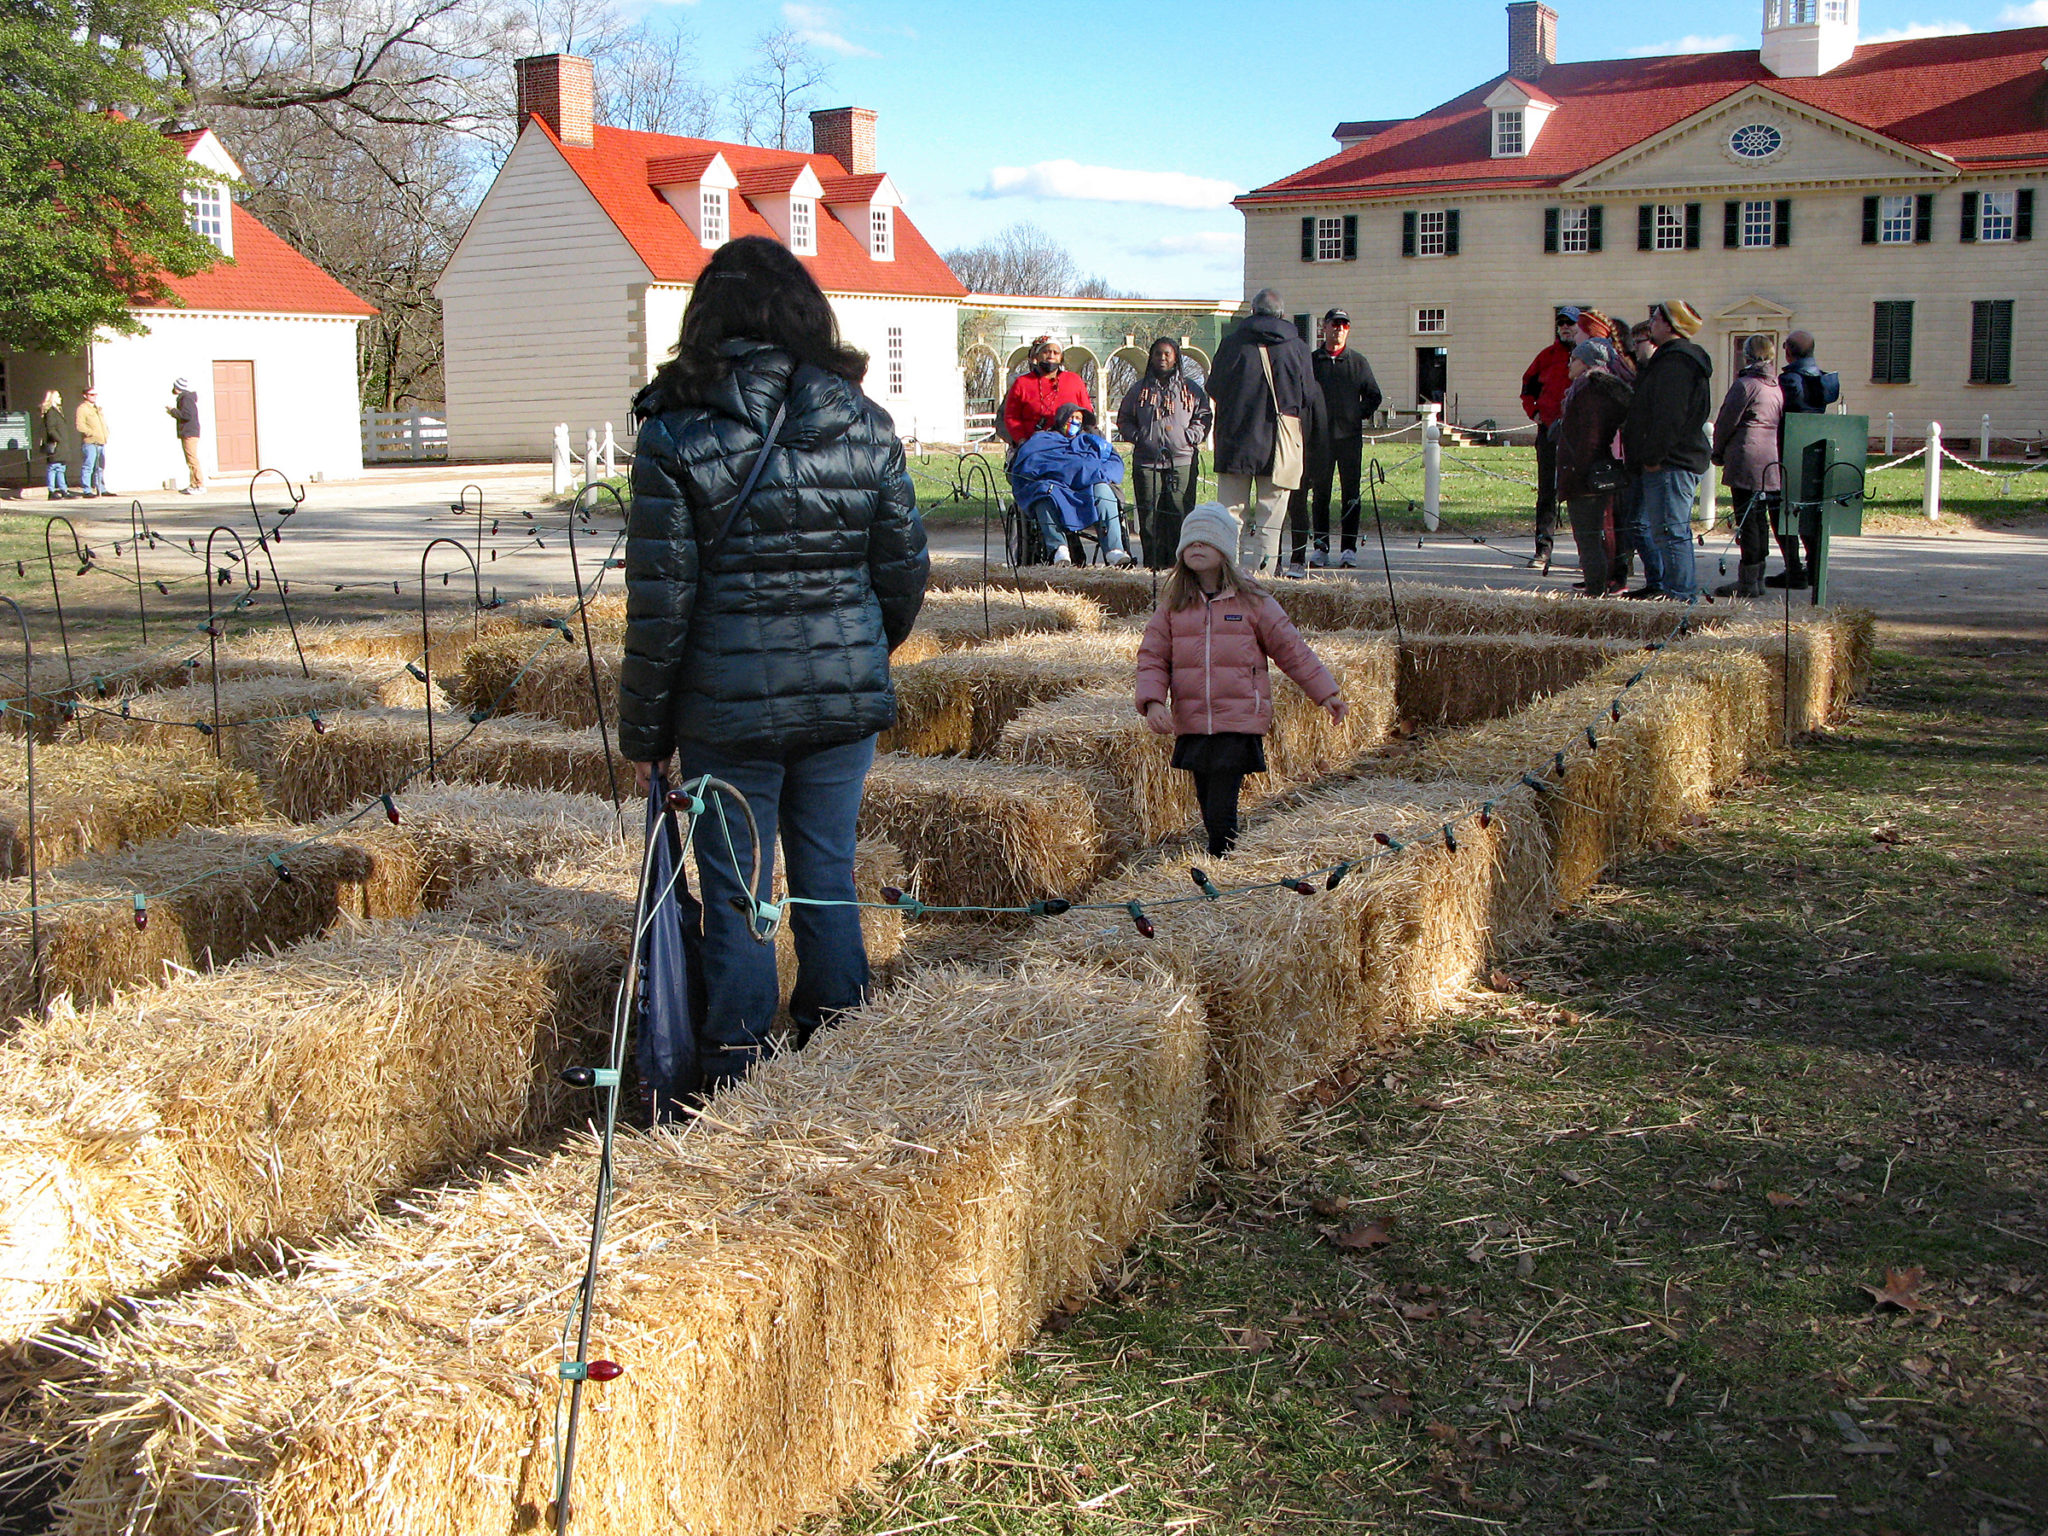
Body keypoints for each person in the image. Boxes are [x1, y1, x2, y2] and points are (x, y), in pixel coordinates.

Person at [617, 235, 929, 1092]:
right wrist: (856, 653)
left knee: (739, 896)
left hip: (728, 710)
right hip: (839, 702)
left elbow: (661, 604)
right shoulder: (864, 421)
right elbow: (903, 574)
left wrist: (645, 731)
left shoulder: (676, 430)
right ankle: (840, 1050)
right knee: (826, 875)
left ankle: (738, 1069)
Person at [1135, 503, 1346, 858]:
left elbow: (1291, 649)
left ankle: (1222, 853)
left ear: (1225, 551)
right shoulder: (1173, 605)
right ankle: (1223, 846)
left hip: (1239, 718)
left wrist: (1326, 693)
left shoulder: (1252, 600)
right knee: (1206, 793)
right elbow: (1152, 657)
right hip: (1194, 720)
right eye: (1190, 544)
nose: (1196, 549)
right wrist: (1154, 702)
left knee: (1222, 793)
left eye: (1206, 542)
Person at [1207, 288, 1316, 575]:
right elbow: (1307, 396)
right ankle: (1262, 580)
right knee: (1271, 519)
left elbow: (1214, 387)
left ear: (1252, 312)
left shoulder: (1231, 344)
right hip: (1279, 443)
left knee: (1230, 517)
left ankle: (1228, 576)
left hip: (1235, 438)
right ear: (1282, 313)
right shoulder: (1298, 348)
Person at [1620, 300, 1712, 602]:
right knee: (1663, 532)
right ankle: (1671, 591)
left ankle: (1681, 596)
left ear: (1671, 326)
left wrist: (1654, 458)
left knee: (1672, 533)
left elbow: (1670, 417)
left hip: (1672, 462)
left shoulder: (1678, 364)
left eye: (1655, 318)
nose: (1650, 324)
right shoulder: (1667, 361)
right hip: (1665, 461)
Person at [1116, 338, 1211, 569]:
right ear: (1152, 357)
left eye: (1168, 354)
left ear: (1176, 357)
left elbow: (1204, 415)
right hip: (1148, 462)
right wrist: (1139, 437)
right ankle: (1154, 568)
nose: (1163, 358)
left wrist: (1191, 436)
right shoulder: (1139, 390)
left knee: (1179, 514)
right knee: (1149, 517)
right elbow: (1124, 419)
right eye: (1158, 353)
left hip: (1181, 460)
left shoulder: (1191, 389)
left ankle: (1180, 568)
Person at [1302, 309, 1383, 569]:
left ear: (1348, 330)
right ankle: (1321, 546)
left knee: (1351, 494)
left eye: (1344, 325)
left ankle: (1349, 548)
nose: (1338, 330)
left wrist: (1354, 414)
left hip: (1349, 439)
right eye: (1334, 325)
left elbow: (1373, 395)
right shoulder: (1312, 361)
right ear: (1324, 328)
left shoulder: (1357, 362)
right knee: (1321, 493)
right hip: (1320, 440)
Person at [1010, 403, 1136, 567]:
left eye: (1078, 419)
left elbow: (1113, 463)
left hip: (1088, 486)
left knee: (1104, 490)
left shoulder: (1092, 441)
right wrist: (1071, 470)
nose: (1074, 422)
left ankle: (1114, 550)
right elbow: (1030, 465)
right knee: (1043, 493)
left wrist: (1096, 474)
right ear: (1061, 419)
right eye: (1071, 418)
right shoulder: (1042, 440)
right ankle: (1058, 549)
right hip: (1057, 487)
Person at [1554, 340, 1633, 597]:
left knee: (1588, 538)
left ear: (1587, 362)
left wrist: (1578, 471)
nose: (1569, 363)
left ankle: (1596, 593)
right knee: (1590, 537)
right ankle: (1596, 588)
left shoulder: (1590, 392)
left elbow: (1589, 437)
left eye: (1574, 359)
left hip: (1585, 475)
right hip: (1588, 471)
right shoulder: (1592, 388)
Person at [1710, 334, 1785, 600]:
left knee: (1747, 520)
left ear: (1748, 355)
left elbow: (1726, 422)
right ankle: (1758, 577)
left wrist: (1717, 452)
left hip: (1746, 457)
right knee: (1759, 519)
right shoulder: (1775, 387)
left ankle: (1747, 581)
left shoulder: (1745, 386)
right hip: (1768, 459)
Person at [1770, 330, 1840, 590]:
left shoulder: (1788, 381)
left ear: (1788, 350)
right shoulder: (1826, 381)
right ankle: (1814, 567)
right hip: (1815, 451)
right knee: (1811, 510)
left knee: (1780, 511)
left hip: (1787, 448)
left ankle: (1794, 568)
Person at [1519, 308, 1577, 569]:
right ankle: (1543, 549)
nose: (1565, 327)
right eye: (1561, 323)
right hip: (1550, 432)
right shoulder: (1546, 357)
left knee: (1584, 492)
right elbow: (1526, 388)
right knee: (1547, 492)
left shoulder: (1588, 355)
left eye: (1571, 323)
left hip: (1581, 434)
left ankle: (1592, 555)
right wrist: (1536, 412)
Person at [1000, 337, 1091, 450]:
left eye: (1056, 352)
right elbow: (1011, 417)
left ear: (1061, 358)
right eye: (1046, 352)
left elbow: (1087, 413)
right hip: (1033, 446)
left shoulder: (1074, 380)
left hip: (1070, 445)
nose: (1051, 355)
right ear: (1036, 357)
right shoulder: (1022, 383)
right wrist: (1022, 441)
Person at [168, 378, 204, 493]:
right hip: (189, 432)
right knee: (190, 459)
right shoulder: (187, 398)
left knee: (192, 459)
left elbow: (187, 415)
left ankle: (199, 485)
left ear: (177, 388)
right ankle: (193, 484)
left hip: (189, 432)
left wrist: (173, 411)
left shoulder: (186, 398)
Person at [37, 391, 71, 500]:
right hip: (55, 444)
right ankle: (51, 490)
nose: (60, 398)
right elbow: (50, 429)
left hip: (62, 444)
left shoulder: (59, 411)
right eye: (58, 396)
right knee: (53, 467)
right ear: (52, 398)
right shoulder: (51, 412)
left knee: (61, 467)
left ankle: (63, 489)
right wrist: (59, 439)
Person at [74, 388, 108, 497]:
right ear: (85, 395)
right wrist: (91, 433)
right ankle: (87, 490)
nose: (94, 397)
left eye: (95, 395)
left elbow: (102, 424)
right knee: (88, 466)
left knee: (100, 466)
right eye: (91, 394)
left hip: (101, 441)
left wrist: (106, 433)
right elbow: (80, 426)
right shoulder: (82, 409)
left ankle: (101, 489)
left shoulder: (97, 409)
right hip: (90, 442)